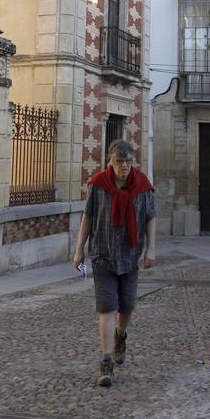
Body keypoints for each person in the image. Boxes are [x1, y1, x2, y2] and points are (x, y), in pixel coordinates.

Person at [73, 139, 157, 387]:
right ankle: (106, 361)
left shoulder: (143, 187)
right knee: (107, 307)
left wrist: (151, 249)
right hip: (102, 255)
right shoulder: (99, 185)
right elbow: (88, 217)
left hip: (130, 256)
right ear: (110, 161)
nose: (124, 166)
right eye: (120, 161)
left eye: (128, 161)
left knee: (127, 306)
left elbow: (150, 218)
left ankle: (121, 335)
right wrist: (79, 250)